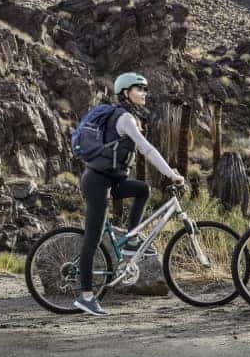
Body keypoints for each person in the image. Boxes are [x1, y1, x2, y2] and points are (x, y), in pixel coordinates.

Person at [73, 73, 186, 316]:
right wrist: (171, 174)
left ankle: (132, 241)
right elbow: (147, 149)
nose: (144, 93)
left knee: (142, 189)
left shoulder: (128, 116)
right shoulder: (124, 118)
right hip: (97, 182)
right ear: (126, 92)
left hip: (112, 181)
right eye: (139, 89)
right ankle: (86, 296)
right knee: (92, 239)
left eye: (145, 89)